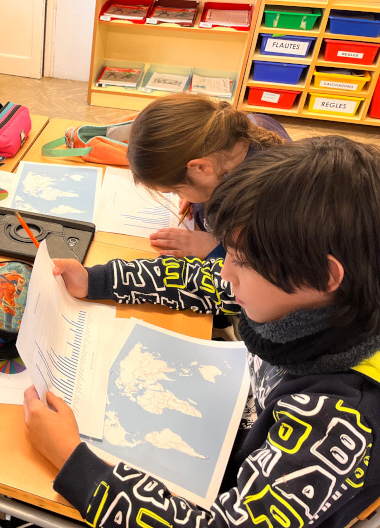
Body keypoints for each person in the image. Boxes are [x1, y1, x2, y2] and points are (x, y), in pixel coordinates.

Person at [23, 136, 380, 528]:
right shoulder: (307, 295)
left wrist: (74, 462)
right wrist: (97, 280)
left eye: (242, 261)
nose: (225, 270)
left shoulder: (337, 420)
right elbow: (204, 281)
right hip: (233, 428)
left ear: (323, 276)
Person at [127, 93, 290, 259]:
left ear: (200, 167)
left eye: (176, 190)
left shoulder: (255, 205)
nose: (180, 196)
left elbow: (269, 262)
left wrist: (215, 248)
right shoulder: (237, 129)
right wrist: (196, 191)